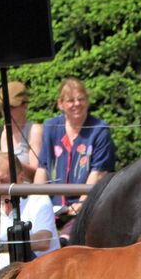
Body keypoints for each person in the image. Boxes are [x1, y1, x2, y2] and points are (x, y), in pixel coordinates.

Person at [34, 77, 116, 225]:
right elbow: (42, 168)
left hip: (87, 205)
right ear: (61, 104)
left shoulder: (99, 129)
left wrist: (81, 204)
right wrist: (37, 203)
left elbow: (99, 173)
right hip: (54, 207)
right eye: (71, 100)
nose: (77, 104)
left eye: (81, 99)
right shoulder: (51, 127)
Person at [0, 153, 60, 265]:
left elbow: (43, 241)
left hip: (36, 270)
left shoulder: (38, 199)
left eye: (3, 181)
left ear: (20, 178)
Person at [0, 81, 43, 183]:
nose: (6, 111)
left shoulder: (34, 131)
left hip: (24, 193)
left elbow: (38, 173)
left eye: (11, 107)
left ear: (24, 106)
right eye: (3, 107)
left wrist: (9, 161)